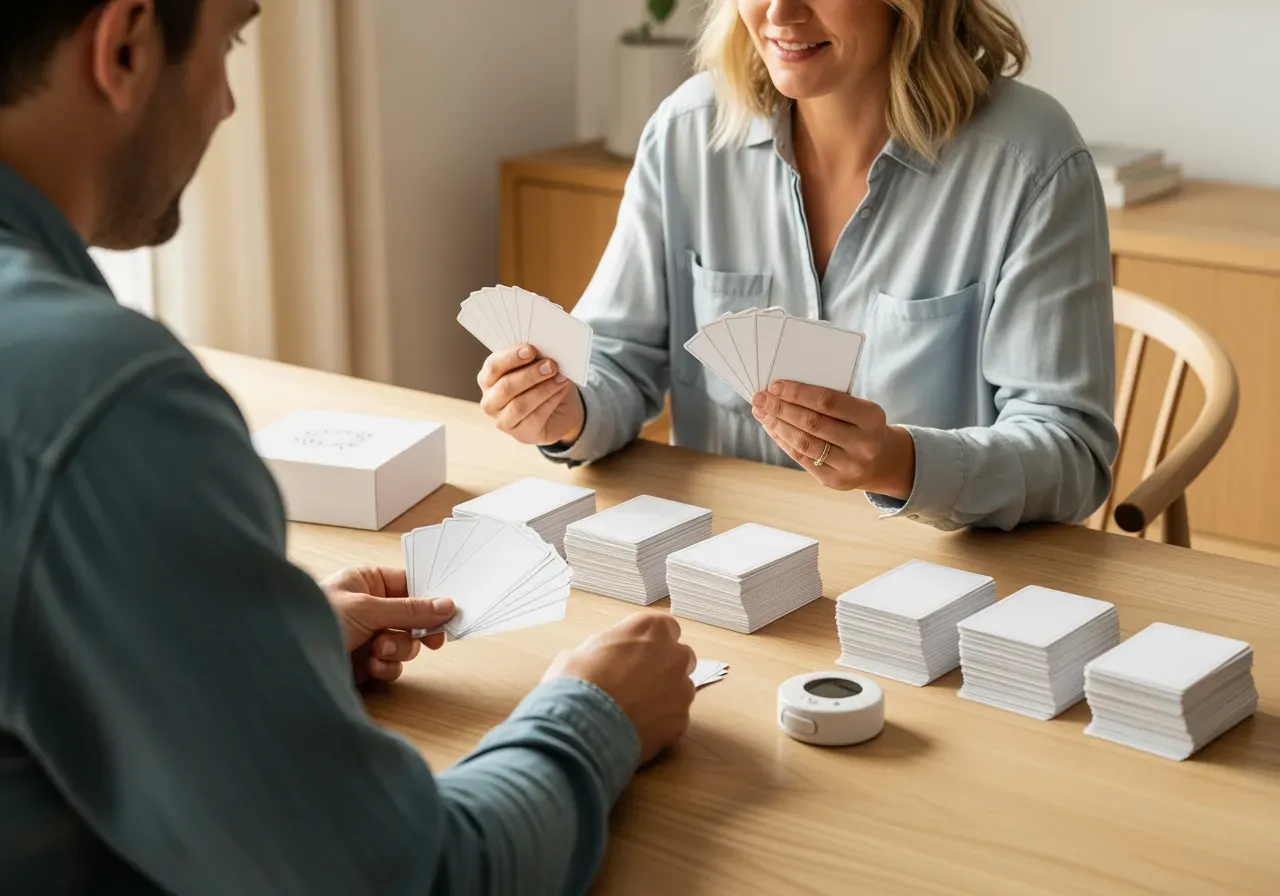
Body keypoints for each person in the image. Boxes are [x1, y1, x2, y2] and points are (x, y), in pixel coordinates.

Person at [0, 2, 697, 893]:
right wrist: (595, 714)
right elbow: (411, 878)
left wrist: (246, 653)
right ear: (126, 46)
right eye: (230, 45)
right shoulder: (105, 406)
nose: (227, 105)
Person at [478, 0, 1119, 533]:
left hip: (937, 588)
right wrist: (566, 413)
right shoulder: (687, 134)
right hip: (725, 569)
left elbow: (1072, 454)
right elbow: (617, 359)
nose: (780, 13)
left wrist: (899, 461)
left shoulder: (1031, 161)